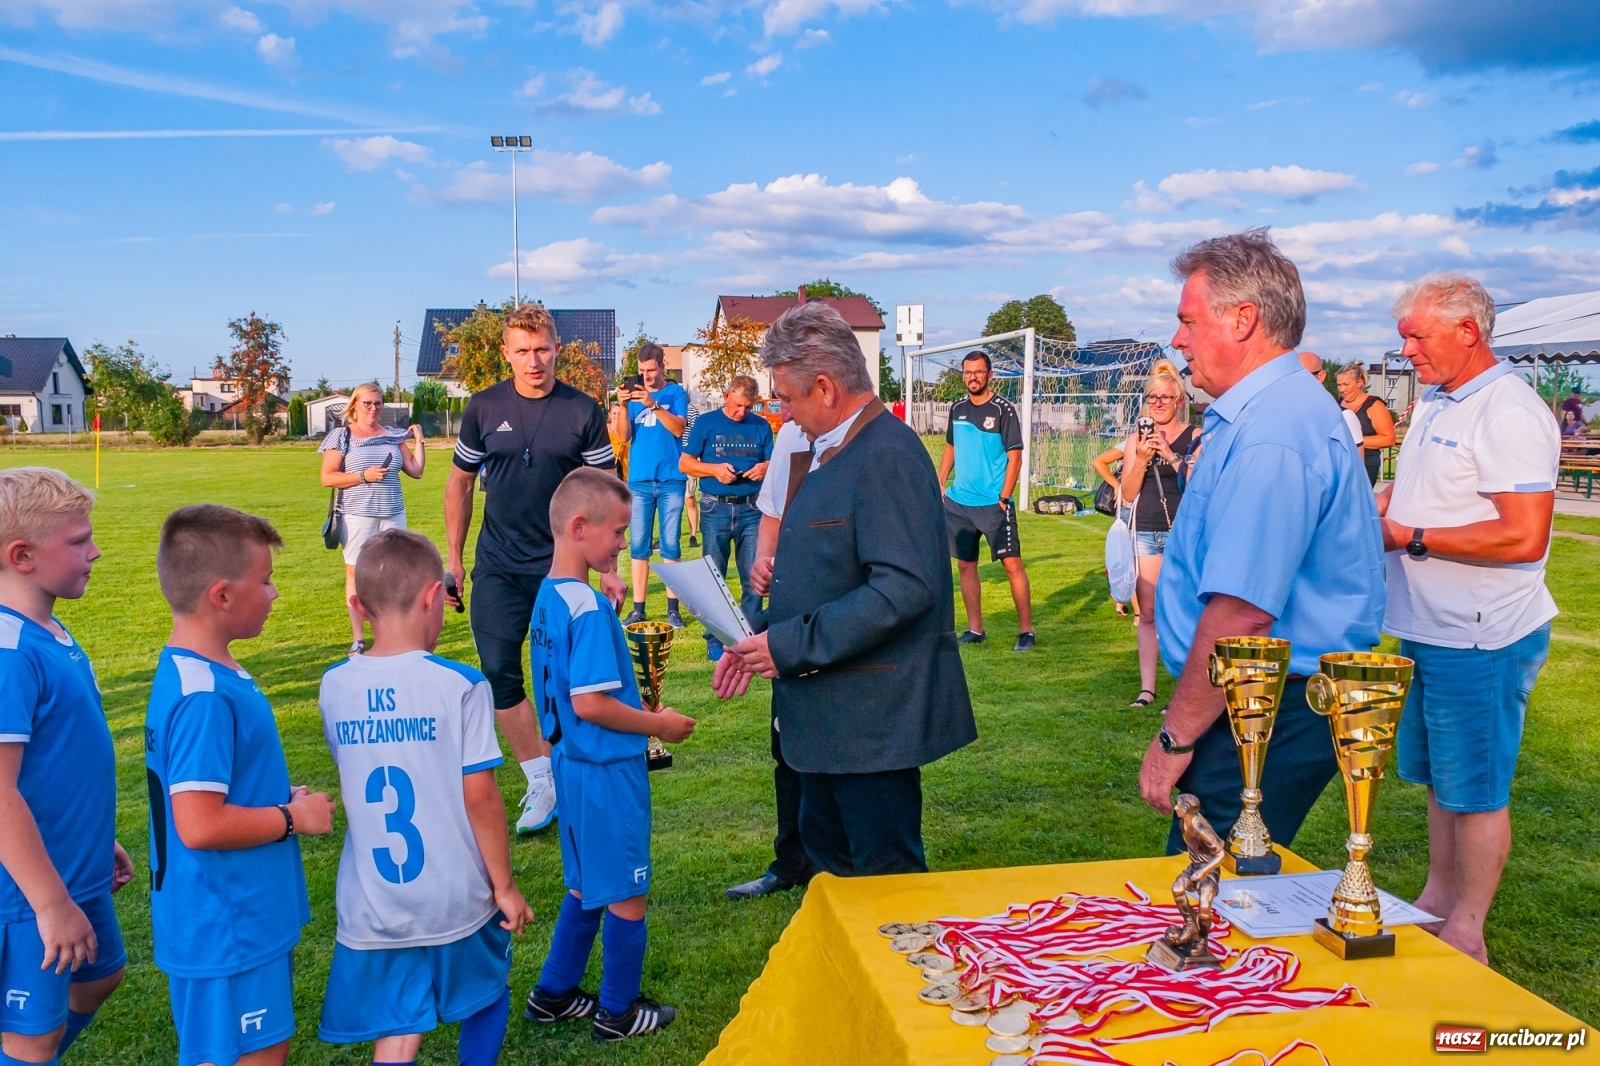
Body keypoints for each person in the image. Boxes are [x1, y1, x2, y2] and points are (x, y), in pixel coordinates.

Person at [1140, 228, 1385, 856]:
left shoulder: (1275, 429)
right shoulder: (1265, 414)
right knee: (1220, 888)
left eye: (1188, 321)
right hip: (1255, 695)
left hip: (1266, 704)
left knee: (1200, 895)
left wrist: (1174, 737)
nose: (1178, 340)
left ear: (1243, 319)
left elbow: (1243, 610)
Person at [712, 302, 977, 877]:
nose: (781, 412)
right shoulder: (832, 449)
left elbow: (903, 589)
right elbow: (830, 574)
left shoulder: (885, 455)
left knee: (884, 888)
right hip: (830, 720)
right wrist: (759, 636)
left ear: (826, 388)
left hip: (871, 725)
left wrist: (790, 646)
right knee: (834, 879)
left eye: (785, 397)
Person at [1379, 272, 1559, 966]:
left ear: (1467, 331)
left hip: (1484, 633)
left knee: (1476, 789)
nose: (1408, 351)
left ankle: (1468, 930)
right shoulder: (1437, 400)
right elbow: (1420, 491)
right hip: (1431, 626)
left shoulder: (1507, 410)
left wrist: (1410, 535)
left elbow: (1523, 537)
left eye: (1417, 336)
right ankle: (1436, 897)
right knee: (1438, 779)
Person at [316, 529, 533, 1065]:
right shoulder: (458, 684)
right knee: (487, 992)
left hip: (373, 898)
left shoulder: (334, 685)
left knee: (398, 1019)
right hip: (452, 892)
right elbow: (480, 795)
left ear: (358, 606)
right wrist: (503, 885)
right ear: (435, 596)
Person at [145, 505, 337, 1066]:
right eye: (266, 580)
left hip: (231, 918)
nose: (275, 592)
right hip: (226, 925)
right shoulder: (205, 694)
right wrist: (291, 819)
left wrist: (280, 800)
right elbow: (200, 824)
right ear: (221, 596)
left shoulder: (203, 669)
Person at [526, 469, 695, 1042]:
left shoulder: (552, 597)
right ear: (580, 527)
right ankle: (618, 1013)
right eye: (618, 532)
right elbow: (593, 703)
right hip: (606, 770)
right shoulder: (589, 611)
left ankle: (553, 994)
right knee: (627, 890)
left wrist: (606, 602)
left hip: (568, 767)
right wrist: (659, 726)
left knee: (584, 884)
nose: (624, 543)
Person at [445, 303, 621, 837]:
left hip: (561, 568)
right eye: (522, 351)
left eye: (542, 348)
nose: (533, 360)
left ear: (556, 348)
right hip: (496, 564)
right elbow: (459, 482)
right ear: (506, 353)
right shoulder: (482, 408)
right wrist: (452, 556)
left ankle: (574, 773)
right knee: (499, 670)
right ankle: (540, 777)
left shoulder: (582, 410)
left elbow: (606, 493)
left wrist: (609, 565)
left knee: (565, 682)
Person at [0, 468, 130, 1065]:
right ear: (21, 555)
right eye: (78, 541)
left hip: (77, 866)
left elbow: (64, 759)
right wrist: (51, 904)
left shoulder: (49, 629)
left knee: (102, 976)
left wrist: (98, 840)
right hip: (29, 892)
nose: (95, 551)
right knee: (34, 1038)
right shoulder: (9, 652)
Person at [721, 407, 816, 900]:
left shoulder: (869, 439)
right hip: (789, 612)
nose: (781, 409)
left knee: (829, 750)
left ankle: (832, 865)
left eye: (786, 393)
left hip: (831, 620)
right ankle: (791, 862)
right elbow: (772, 514)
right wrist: (762, 565)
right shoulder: (790, 437)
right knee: (787, 745)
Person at [937, 351, 1035, 652]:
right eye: (967, 372)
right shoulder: (958, 408)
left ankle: (1026, 632)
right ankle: (975, 630)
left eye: (978, 372)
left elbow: (1015, 457)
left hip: (993, 504)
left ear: (990, 375)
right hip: (959, 504)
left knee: (1011, 565)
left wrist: (1004, 498)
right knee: (966, 566)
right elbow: (951, 447)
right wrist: (939, 482)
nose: (972, 377)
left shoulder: (1003, 409)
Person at [319, 382, 426, 656]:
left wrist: (419, 441)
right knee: (355, 574)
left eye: (378, 403)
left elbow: (416, 471)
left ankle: (393, 634)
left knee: (396, 573)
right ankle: (358, 638)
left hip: (393, 513)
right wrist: (363, 476)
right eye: (367, 403)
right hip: (358, 515)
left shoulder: (392, 435)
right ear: (354, 406)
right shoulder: (342, 436)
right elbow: (328, 477)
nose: (373, 408)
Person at [1116, 360, 1198, 708]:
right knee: (1147, 613)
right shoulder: (1137, 438)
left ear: (1179, 400)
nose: (1159, 404)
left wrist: (1170, 455)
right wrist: (1143, 457)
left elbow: (1199, 486)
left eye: (1166, 398)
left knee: (1182, 611)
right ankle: (1147, 689)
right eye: (1153, 398)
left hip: (1182, 530)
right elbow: (1129, 492)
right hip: (1147, 529)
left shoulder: (1195, 436)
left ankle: (1184, 692)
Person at [679, 375, 773, 661]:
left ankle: (749, 638)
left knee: (753, 577)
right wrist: (714, 470)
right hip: (714, 507)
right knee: (714, 576)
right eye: (736, 405)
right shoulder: (707, 423)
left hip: (752, 508)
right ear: (725, 395)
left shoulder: (761, 426)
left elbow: (778, 462)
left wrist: (765, 467)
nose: (741, 412)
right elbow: (685, 462)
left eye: (747, 407)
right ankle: (715, 639)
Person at [616, 344, 688, 627]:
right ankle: (639, 608)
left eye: (651, 370)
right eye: (641, 370)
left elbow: (679, 429)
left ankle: (673, 609)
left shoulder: (676, 393)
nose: (645, 376)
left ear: (662, 366)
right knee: (639, 547)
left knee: (671, 546)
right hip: (640, 480)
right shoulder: (633, 396)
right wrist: (622, 406)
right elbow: (623, 436)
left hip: (671, 478)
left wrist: (653, 404)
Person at [1336, 362, 1397, 485]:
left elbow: (1389, 439)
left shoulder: (1375, 405)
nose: (1342, 389)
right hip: (1342, 463)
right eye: (1339, 385)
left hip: (1366, 465)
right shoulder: (1338, 403)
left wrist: (1353, 441)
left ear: (1359, 383)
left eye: (1346, 384)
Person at [1299, 352, 1366, 456]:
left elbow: (1357, 465)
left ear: (1321, 376)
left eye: (1303, 376)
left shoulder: (1344, 416)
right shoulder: (1284, 414)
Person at [680, 403, 701, 549]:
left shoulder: (691, 410)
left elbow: (698, 432)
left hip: (687, 457)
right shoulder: (664, 407)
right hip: (670, 459)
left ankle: (693, 534)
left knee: (689, 499)